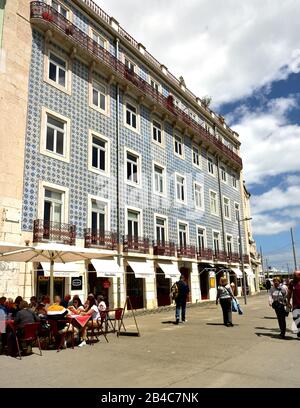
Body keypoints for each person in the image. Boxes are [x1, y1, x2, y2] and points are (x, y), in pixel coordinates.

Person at [287, 271, 300, 338]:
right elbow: (289, 293)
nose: (294, 276)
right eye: (294, 275)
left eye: (296, 275)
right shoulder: (292, 283)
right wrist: (288, 302)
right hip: (295, 304)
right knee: (295, 318)